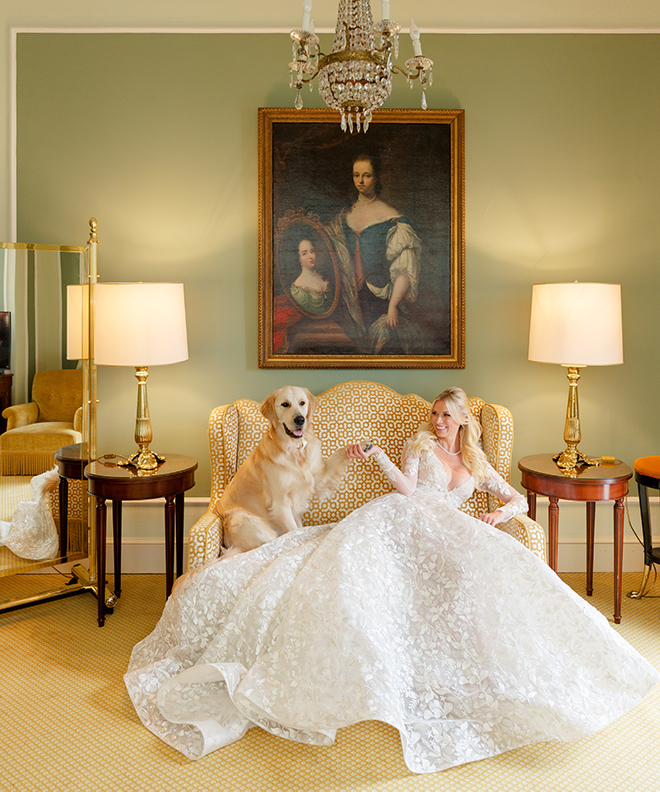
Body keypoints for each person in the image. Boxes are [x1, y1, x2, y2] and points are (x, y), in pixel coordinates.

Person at [125, 387, 658, 774]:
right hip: (402, 517)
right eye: (435, 413)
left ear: (464, 421)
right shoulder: (420, 446)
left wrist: (499, 515)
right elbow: (406, 489)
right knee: (369, 577)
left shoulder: (474, 459)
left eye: (446, 415)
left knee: (498, 579)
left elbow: (512, 495)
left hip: (450, 530)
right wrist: (381, 455)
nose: (437, 420)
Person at [326, 151, 424, 354]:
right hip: (346, 300)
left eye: (367, 175)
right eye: (356, 175)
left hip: (378, 299)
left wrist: (393, 306)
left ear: (376, 177)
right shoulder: (343, 216)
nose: (360, 181)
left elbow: (404, 269)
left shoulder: (392, 218)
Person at [289, 238, 332, 315]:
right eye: (304, 253)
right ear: (299, 259)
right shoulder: (298, 286)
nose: (311, 256)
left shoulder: (323, 275)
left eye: (312, 251)